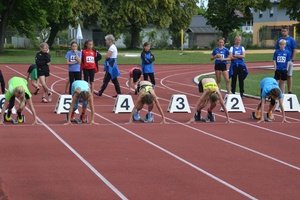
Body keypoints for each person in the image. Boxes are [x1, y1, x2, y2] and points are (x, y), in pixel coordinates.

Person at [275, 26, 296, 94]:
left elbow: (294, 49)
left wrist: (292, 59)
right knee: (279, 77)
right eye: (282, 31)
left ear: (288, 31)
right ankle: (278, 92)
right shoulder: (279, 40)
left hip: (289, 60)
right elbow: (277, 50)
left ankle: (289, 91)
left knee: (289, 75)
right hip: (281, 62)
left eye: (285, 31)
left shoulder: (291, 39)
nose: (283, 32)